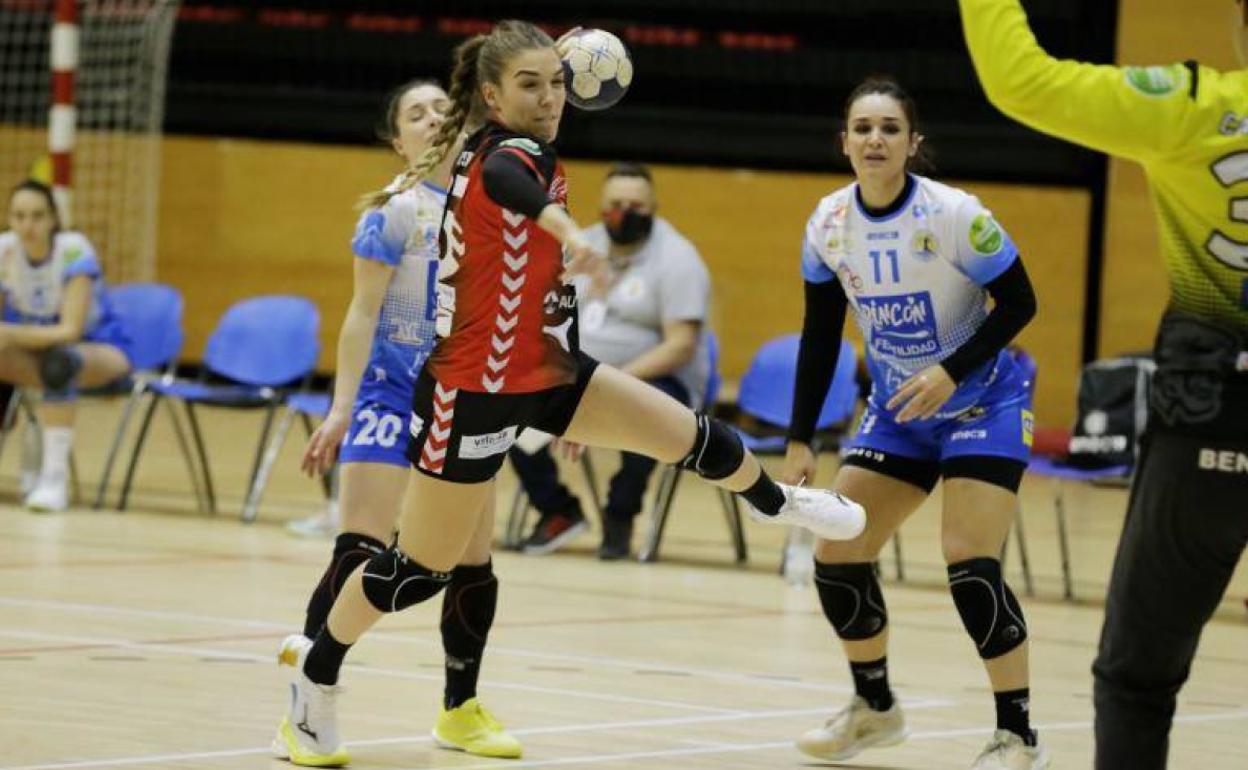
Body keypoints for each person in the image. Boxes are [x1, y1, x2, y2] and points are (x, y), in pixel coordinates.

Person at [272, 20, 866, 767]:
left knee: (692, 434)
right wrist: (563, 224)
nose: (550, 97)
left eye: (556, 82)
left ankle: (785, 504)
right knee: (418, 571)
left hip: (552, 373)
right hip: (474, 392)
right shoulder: (499, 153)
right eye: (530, 84)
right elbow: (509, 186)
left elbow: (532, 251)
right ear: (491, 95)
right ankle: (315, 680)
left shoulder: (539, 151)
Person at [959, 2, 1248, 768]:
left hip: (1212, 429)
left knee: (1137, 680)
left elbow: (1022, 81)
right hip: (1207, 419)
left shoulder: (1196, 107)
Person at [783, 76, 1046, 769]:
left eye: (889, 128)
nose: (875, 139)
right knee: (836, 552)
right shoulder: (828, 224)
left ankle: (1017, 736)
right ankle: (874, 709)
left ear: (911, 143)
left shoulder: (955, 215)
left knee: (968, 562)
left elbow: (1020, 302)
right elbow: (819, 335)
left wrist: (952, 370)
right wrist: (801, 435)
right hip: (900, 413)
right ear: (844, 142)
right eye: (862, 128)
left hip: (985, 401)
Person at [272, 81, 523, 760]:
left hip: (462, 404)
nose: (434, 117)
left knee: (473, 562)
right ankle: (307, 701)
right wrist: (342, 409)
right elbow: (360, 315)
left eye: (443, 108)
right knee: (361, 548)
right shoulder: (394, 212)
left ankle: (460, 710)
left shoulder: (492, 209)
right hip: (389, 396)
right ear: (398, 139)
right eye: (416, 113)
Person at [511, 161, 712, 560]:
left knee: (643, 416)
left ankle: (619, 517)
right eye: (615, 203)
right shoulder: (582, 245)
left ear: (653, 208)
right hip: (577, 372)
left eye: (635, 204)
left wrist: (610, 385)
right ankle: (558, 510)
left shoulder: (677, 258)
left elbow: (680, 345)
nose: (624, 212)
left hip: (653, 377)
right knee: (508, 403)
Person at [0, 180, 131, 512]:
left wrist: (10, 334)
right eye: (19, 216)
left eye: (37, 216)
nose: (27, 226)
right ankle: (22, 439)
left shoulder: (73, 250)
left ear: (53, 219)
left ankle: (53, 480)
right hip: (35, 349)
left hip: (100, 349)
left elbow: (70, 331)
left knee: (60, 362)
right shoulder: (5, 251)